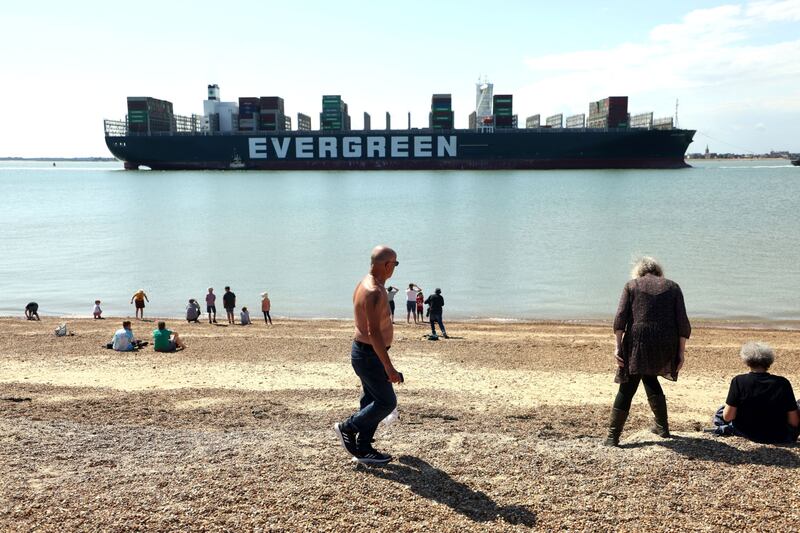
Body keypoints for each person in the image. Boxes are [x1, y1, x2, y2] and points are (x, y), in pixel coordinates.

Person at [605, 257, 691, 447]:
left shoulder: (631, 285)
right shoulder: (673, 287)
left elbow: (620, 318)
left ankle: (612, 437)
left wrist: (617, 346)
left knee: (628, 384)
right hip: (665, 341)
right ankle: (662, 427)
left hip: (639, 340)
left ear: (639, 272)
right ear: (659, 272)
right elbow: (682, 322)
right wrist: (681, 352)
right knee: (650, 377)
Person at [334, 245, 402, 465]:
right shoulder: (374, 291)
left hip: (365, 353)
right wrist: (389, 368)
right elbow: (373, 333)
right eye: (395, 264)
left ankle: (363, 448)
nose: (395, 268)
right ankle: (347, 427)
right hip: (369, 354)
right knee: (386, 402)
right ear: (386, 264)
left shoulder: (365, 282)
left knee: (371, 399)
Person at [711, 342, 799, 444]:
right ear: (769, 362)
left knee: (721, 411)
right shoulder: (783, 383)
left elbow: (728, 417)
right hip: (779, 435)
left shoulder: (739, 381)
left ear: (747, 361)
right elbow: (794, 421)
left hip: (745, 432)